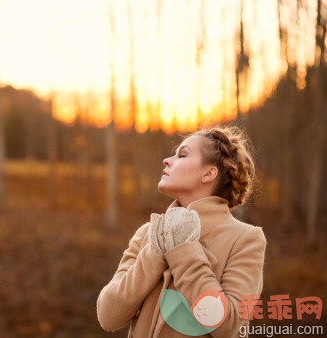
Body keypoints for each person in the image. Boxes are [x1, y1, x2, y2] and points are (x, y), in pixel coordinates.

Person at [96, 125, 267, 338]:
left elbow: (229, 327)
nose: (167, 160)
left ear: (208, 173)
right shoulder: (148, 234)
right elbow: (108, 316)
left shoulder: (245, 239)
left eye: (182, 155)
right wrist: (155, 252)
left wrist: (183, 248)